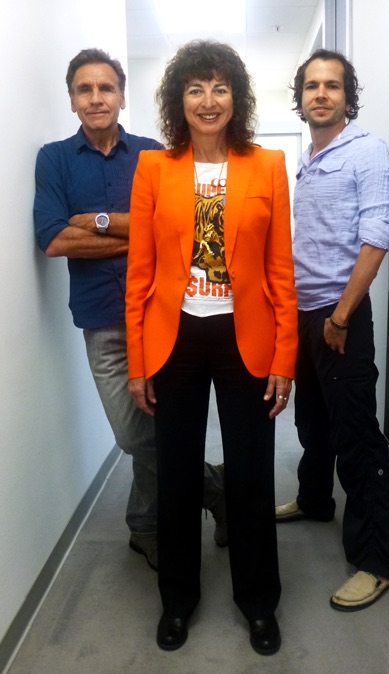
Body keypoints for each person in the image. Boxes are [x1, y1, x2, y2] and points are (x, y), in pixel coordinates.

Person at [125, 40, 298, 655]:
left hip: (243, 337)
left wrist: (284, 360)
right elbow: (139, 274)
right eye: (195, 88)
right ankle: (177, 599)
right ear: (179, 100)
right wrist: (139, 362)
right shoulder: (154, 169)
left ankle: (258, 601)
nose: (208, 100)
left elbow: (280, 271)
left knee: (250, 474)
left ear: (236, 98)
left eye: (220, 88)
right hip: (174, 337)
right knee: (176, 472)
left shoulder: (267, 166)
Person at [34, 48, 226, 573]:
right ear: (72, 99)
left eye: (106, 88)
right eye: (85, 89)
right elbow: (54, 239)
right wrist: (138, 231)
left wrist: (95, 221)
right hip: (102, 321)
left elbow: (175, 230)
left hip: (164, 315)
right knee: (133, 433)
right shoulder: (54, 159)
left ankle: (144, 527)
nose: (96, 98)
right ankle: (216, 487)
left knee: (158, 420)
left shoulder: (154, 155)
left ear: (122, 96)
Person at [275, 49, 389, 611]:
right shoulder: (309, 157)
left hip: (338, 315)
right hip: (305, 313)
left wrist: (342, 316)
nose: (320, 94)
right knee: (312, 421)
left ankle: (375, 562)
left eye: (332, 85)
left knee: (355, 437)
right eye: (311, 86)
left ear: (349, 97)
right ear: (300, 99)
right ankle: (314, 500)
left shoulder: (365, 151)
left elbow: (377, 236)